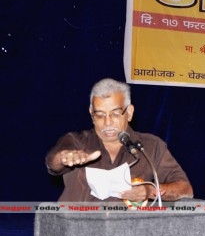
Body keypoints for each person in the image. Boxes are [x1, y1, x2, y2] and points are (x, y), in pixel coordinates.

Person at [45, 78, 193, 203]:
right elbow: (53, 162)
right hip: (75, 231)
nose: (108, 122)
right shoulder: (77, 141)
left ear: (129, 112)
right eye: (100, 115)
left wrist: (150, 191)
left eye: (115, 114)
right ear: (91, 114)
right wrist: (63, 158)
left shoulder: (151, 147)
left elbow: (185, 189)